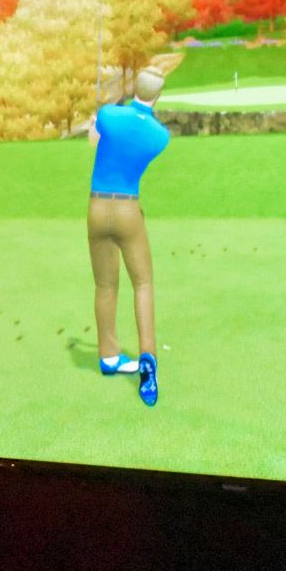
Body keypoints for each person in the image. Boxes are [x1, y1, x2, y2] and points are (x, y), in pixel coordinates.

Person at [87, 69, 172, 407]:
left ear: (134, 87)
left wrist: (98, 121)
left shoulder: (109, 114)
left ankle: (109, 356)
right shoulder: (160, 136)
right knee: (143, 283)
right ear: (158, 96)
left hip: (97, 208)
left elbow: (96, 136)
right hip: (128, 210)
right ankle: (147, 358)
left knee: (105, 285)